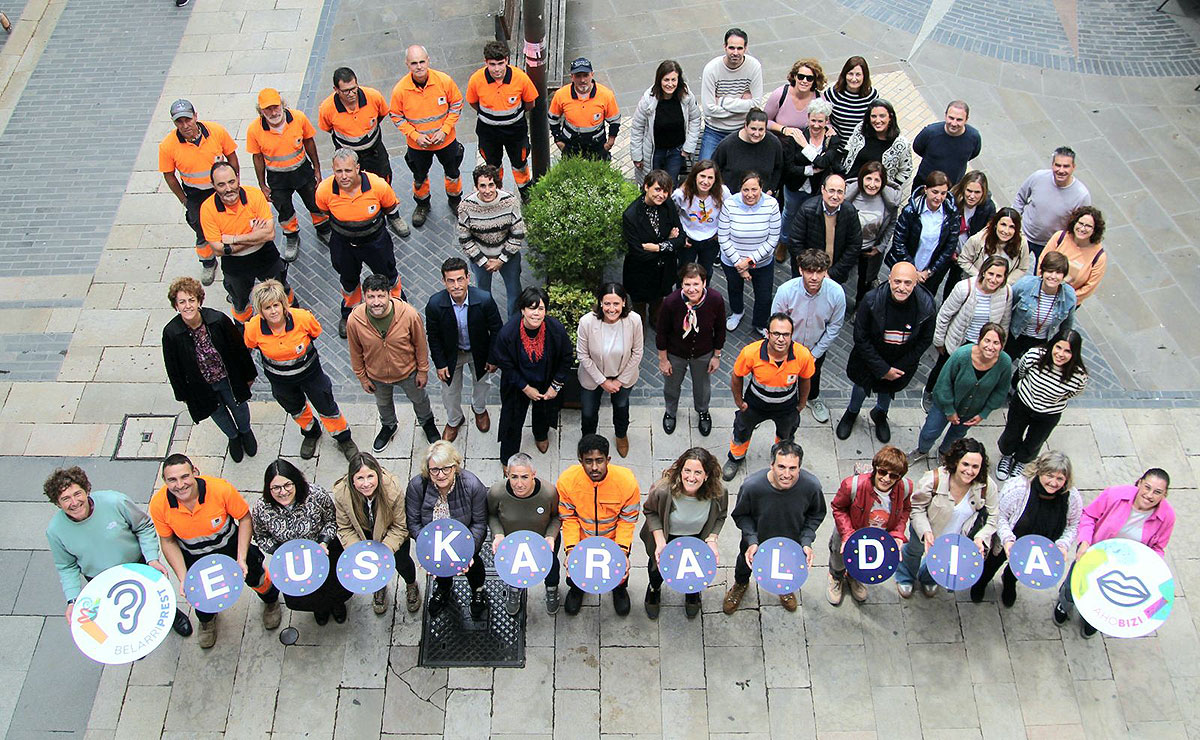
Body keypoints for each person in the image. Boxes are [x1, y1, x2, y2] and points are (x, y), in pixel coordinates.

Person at [150, 454, 281, 649]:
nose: (180, 485)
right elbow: (168, 541)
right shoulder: (159, 505)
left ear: (195, 472)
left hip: (231, 546)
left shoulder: (220, 489)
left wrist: (242, 558)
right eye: (172, 480)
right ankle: (207, 621)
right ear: (165, 481)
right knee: (199, 595)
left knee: (258, 577)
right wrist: (183, 577)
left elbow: (244, 518)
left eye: (184, 476)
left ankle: (271, 602)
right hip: (195, 556)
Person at [45, 466, 192, 637]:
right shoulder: (55, 531)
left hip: (137, 564)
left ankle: (172, 614)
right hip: (100, 579)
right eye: (65, 499)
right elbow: (66, 566)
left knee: (154, 594)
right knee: (117, 609)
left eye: (77, 494)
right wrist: (73, 599)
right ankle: (135, 633)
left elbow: (143, 526)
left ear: (86, 491)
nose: (74, 502)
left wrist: (152, 558)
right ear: (57, 503)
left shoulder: (115, 502)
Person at [243, 280, 358, 461]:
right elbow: (252, 345)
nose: (273, 311)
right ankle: (311, 432)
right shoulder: (253, 328)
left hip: (311, 376)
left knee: (327, 406)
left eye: (276, 305)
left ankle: (343, 438)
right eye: (267, 307)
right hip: (280, 382)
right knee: (296, 409)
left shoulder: (302, 318)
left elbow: (315, 332)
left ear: (283, 304)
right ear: (260, 310)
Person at [1055, 468, 1174, 637]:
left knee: (1107, 595)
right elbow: (1089, 515)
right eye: (1147, 487)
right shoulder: (1115, 494)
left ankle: (1094, 619)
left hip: (1126, 567)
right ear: (1139, 483)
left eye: (1157, 492)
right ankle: (1065, 605)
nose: (1149, 495)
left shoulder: (1167, 516)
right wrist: (1085, 541)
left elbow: (1158, 547)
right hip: (1094, 555)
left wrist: (1151, 565)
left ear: (1164, 494)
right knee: (1074, 585)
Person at [836, 262, 935, 443]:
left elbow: (924, 340)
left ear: (915, 283)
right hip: (869, 360)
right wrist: (882, 368)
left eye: (907, 283)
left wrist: (897, 368)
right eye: (897, 281)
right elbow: (861, 337)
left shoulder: (926, 306)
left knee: (887, 391)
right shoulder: (871, 300)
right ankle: (852, 412)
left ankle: (880, 413)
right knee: (860, 388)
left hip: (899, 363)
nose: (901, 287)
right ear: (889, 279)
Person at [162, 276, 258, 462]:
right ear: (176, 306)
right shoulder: (171, 333)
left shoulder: (218, 320)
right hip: (202, 386)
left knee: (239, 407)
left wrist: (248, 375)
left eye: (191, 300)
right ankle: (233, 437)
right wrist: (183, 395)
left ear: (199, 301)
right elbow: (173, 367)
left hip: (227, 379)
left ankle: (245, 432)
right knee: (217, 413)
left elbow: (239, 349)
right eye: (182, 302)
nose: (188, 306)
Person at [724, 441, 826, 613]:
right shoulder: (752, 486)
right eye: (781, 467)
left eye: (792, 468)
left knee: (787, 567)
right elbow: (741, 515)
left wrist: (806, 541)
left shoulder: (812, 486)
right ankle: (740, 584)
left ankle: (784, 587)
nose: (786, 474)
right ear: (772, 465)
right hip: (757, 540)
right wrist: (752, 539)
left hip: (792, 542)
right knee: (744, 563)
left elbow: (816, 514)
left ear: (799, 468)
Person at [314, 148, 407, 337]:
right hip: (343, 245)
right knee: (348, 281)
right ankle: (350, 312)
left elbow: (390, 206)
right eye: (339, 171)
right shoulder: (324, 190)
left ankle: (398, 308)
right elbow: (324, 211)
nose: (343, 176)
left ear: (357, 168)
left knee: (388, 276)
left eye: (348, 170)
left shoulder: (378, 186)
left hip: (376, 243)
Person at [971, 451, 1081, 607]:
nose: (1054, 483)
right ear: (1039, 471)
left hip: (1039, 546)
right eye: (1049, 476)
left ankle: (1009, 581)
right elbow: (999, 516)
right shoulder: (1018, 488)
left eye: (1060, 479)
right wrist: (1007, 540)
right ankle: (981, 582)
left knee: (1019, 569)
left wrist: (1063, 544)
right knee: (992, 564)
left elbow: (1073, 525)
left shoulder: (1072, 497)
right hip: (1009, 539)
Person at [251, 459, 352, 625]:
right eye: (276, 488)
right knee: (308, 594)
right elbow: (261, 536)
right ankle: (319, 609)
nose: (283, 492)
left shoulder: (316, 495)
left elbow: (331, 520)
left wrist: (324, 542)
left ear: (296, 482)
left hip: (324, 551)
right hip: (292, 562)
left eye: (287, 485)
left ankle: (337, 605)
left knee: (333, 585)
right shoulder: (261, 508)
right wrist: (278, 551)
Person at [346, 273, 440, 452]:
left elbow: (420, 344)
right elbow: (355, 351)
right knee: (383, 404)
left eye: (380, 296)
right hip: (376, 375)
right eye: (371, 297)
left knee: (420, 400)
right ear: (364, 296)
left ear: (389, 294)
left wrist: (422, 371)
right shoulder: (354, 320)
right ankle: (389, 426)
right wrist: (362, 378)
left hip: (408, 372)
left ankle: (427, 423)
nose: (376, 302)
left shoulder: (409, 315)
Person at [897, 438, 996, 597]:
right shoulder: (934, 479)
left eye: (975, 466)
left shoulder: (987, 486)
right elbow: (917, 508)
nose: (970, 471)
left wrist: (980, 537)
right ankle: (905, 577)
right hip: (927, 530)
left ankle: (929, 579)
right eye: (965, 464)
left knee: (942, 559)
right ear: (956, 461)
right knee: (914, 552)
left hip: (956, 537)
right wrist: (925, 532)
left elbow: (993, 517)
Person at [722, 313, 816, 481]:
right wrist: (739, 401)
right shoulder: (751, 353)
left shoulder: (802, 355)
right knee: (741, 431)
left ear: (791, 335)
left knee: (785, 436)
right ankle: (735, 458)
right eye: (776, 334)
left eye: (786, 334)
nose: (781, 339)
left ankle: (780, 461)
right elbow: (737, 375)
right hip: (755, 404)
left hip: (787, 406)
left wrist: (801, 403)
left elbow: (805, 379)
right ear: (767, 333)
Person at [557, 434, 641, 616]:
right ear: (581, 461)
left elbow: (627, 520)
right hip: (582, 540)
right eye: (588, 461)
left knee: (620, 570)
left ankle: (619, 588)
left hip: (614, 540)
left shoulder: (627, 482)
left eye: (599, 460)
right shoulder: (567, 481)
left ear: (608, 459)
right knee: (575, 570)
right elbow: (569, 518)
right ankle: (577, 588)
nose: (594, 467)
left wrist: (622, 551)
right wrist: (571, 549)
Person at [199, 161, 292, 325]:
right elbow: (218, 249)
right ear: (213, 185)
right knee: (240, 301)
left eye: (231, 181)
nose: (228, 188)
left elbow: (270, 234)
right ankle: (244, 329)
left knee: (281, 290)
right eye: (221, 184)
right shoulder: (207, 209)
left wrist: (233, 239)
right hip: (235, 265)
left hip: (265, 255)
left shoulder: (254, 195)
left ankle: (291, 316)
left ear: (238, 178)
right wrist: (255, 236)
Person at [640, 448, 728, 619]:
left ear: (707, 475)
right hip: (667, 537)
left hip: (697, 538)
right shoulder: (662, 490)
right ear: (680, 471)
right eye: (687, 470)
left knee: (694, 570)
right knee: (657, 569)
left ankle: (692, 591)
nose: (691, 477)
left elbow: (721, 516)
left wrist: (712, 539)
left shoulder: (718, 493)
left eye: (698, 472)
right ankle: (654, 588)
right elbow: (650, 511)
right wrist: (659, 541)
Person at [158, 99, 238, 286]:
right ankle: (208, 262)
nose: (185, 125)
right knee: (201, 230)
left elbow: (232, 156)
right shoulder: (168, 146)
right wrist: (184, 200)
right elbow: (169, 175)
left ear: (196, 116)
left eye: (188, 119)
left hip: (220, 189)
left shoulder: (216, 131)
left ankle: (234, 256)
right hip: (195, 194)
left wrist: (234, 183)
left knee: (231, 222)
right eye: (179, 122)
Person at [405, 441, 489, 618]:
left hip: (465, 543)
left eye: (446, 468)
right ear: (428, 469)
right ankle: (444, 589)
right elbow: (413, 522)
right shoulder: (417, 486)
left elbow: (479, 523)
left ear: (455, 466)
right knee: (441, 572)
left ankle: (478, 591)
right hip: (435, 544)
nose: (440, 474)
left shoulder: (472, 485)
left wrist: (468, 552)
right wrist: (428, 550)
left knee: (474, 568)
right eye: (435, 470)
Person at [245, 88, 331, 261]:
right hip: (277, 178)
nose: (273, 112)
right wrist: (262, 184)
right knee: (284, 209)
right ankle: (291, 236)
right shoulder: (254, 130)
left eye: (275, 107)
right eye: (268, 109)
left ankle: (323, 228)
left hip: (302, 171)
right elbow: (258, 157)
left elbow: (309, 141)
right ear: (261, 111)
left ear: (282, 105)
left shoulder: (298, 118)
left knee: (314, 201)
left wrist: (317, 168)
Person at [424, 257, 503, 442]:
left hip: (478, 352)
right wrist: (440, 363)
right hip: (452, 355)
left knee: (482, 384)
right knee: (449, 391)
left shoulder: (484, 299)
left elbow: (497, 329)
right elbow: (433, 336)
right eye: (451, 281)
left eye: (460, 279)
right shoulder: (435, 304)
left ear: (468, 278)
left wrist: (493, 357)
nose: (456, 285)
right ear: (444, 281)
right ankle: (455, 419)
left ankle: (479, 409)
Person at [333, 452, 421, 615]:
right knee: (373, 568)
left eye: (370, 476)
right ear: (352, 479)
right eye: (360, 478)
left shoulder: (392, 490)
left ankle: (411, 585)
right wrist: (357, 550)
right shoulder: (342, 494)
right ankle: (378, 586)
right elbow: (345, 527)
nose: (366, 483)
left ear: (378, 475)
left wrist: (385, 550)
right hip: (363, 537)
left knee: (403, 564)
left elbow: (400, 526)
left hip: (391, 536)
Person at [910, 323, 1012, 462]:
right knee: (930, 431)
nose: (990, 346)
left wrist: (984, 413)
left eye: (996, 343)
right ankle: (922, 450)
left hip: (971, 411)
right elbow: (944, 383)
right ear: (979, 340)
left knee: (956, 436)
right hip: (944, 405)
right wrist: (949, 410)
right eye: (987, 340)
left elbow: (1000, 391)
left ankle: (945, 453)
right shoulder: (962, 355)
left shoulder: (1004, 362)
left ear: (1002, 345)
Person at [493, 286, 572, 466]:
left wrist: (555, 386)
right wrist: (525, 388)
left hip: (546, 381)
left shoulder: (555, 329)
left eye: (541, 308)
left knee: (543, 411)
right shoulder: (508, 333)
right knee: (512, 420)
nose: (536, 313)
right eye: (531, 308)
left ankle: (541, 434)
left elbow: (566, 357)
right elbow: (505, 364)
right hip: (517, 384)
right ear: (522, 310)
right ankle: (508, 457)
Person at [996, 329, 1089, 480]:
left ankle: (1021, 460)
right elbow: (1022, 372)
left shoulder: (1078, 375)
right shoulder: (1034, 356)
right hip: (1023, 404)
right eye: (1058, 347)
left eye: (1067, 351)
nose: (1060, 354)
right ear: (1052, 345)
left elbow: (1072, 393)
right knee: (1012, 433)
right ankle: (1007, 456)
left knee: (1034, 441)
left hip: (1049, 413)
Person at [390, 45, 465, 226]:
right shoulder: (400, 90)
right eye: (414, 63)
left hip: (446, 141)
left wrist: (445, 130)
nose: (419, 66)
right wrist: (415, 136)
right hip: (418, 146)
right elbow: (396, 116)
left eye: (422, 61)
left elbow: (456, 104)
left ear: (428, 60)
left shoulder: (444, 81)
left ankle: (455, 201)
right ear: (407, 64)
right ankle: (422, 205)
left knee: (453, 173)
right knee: (419, 176)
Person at [827, 446, 912, 605]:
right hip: (849, 531)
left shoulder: (905, 488)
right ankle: (836, 577)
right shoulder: (852, 486)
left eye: (893, 475)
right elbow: (838, 508)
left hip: (876, 536)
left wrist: (897, 534)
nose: (886, 478)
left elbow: (905, 510)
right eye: (882, 472)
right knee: (839, 558)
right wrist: (847, 534)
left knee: (863, 559)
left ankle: (854, 577)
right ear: (875, 468)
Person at [924, 256, 1013, 405]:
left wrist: (999, 345)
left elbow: (1004, 321)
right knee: (943, 369)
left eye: (999, 276)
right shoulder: (964, 288)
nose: (994, 279)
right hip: (959, 340)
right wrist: (939, 341)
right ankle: (930, 392)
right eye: (991, 274)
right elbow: (944, 315)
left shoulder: (1007, 292)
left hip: (983, 344)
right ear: (983, 272)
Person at [771, 249, 846, 423]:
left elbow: (834, 326)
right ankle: (774, 404)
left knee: (813, 374)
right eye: (809, 271)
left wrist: (815, 353)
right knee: (780, 376)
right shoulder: (786, 291)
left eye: (819, 272)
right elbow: (775, 323)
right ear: (800, 270)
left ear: (825, 271)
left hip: (815, 347)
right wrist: (784, 348)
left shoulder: (836, 293)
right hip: (786, 347)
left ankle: (812, 398)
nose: (814, 277)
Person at [657, 263, 726, 437]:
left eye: (696, 284)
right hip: (676, 353)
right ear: (681, 283)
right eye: (687, 284)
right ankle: (670, 411)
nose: (692, 289)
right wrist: (663, 360)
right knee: (671, 386)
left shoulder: (715, 300)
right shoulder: (671, 302)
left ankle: (703, 411)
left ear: (704, 283)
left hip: (703, 352)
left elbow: (720, 330)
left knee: (702, 387)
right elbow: (662, 332)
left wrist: (716, 356)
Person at [487, 452, 561, 615]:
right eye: (514, 477)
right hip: (512, 543)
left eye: (524, 477)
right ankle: (515, 590)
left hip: (544, 541)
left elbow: (557, 517)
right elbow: (491, 515)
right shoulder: (496, 492)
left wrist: (551, 536)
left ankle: (552, 589)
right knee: (513, 569)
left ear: (533, 474)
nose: (519, 484)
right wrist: (498, 534)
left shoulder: (549, 493)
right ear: (507, 474)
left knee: (551, 567)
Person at [465, 40, 538, 201]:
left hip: (515, 130)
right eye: (492, 64)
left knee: (520, 163)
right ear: (486, 62)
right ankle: (496, 193)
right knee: (493, 165)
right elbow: (473, 102)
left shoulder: (520, 78)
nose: (497, 69)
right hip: (488, 131)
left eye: (500, 63)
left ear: (507, 60)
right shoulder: (476, 80)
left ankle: (525, 192)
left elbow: (530, 102)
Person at [577, 282, 644, 457]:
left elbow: (637, 352)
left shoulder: (634, 320)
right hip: (593, 377)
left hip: (623, 376)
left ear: (624, 302)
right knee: (588, 412)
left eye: (616, 303)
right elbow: (582, 355)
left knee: (621, 406)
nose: (611, 309)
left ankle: (621, 435)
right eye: (607, 303)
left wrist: (619, 381)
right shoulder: (587, 322)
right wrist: (603, 382)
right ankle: (588, 442)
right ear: (600, 302)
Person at [318, 67, 402, 200]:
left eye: (354, 88)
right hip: (348, 156)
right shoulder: (327, 108)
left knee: (383, 181)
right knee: (351, 185)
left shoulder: (373, 97)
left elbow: (381, 114)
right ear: (336, 90)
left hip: (375, 152)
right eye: (346, 91)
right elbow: (328, 128)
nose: (351, 94)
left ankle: (386, 205)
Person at [456, 164, 526, 316]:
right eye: (482, 186)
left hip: (508, 256)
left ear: (497, 185)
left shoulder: (510, 202)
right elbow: (465, 239)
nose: (487, 190)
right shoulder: (466, 206)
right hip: (480, 258)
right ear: (476, 187)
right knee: (483, 294)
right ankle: (487, 322)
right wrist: (483, 261)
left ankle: (513, 324)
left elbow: (518, 234)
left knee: (515, 292)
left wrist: (501, 260)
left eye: (491, 185)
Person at [718, 171, 781, 335]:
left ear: (761, 188)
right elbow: (723, 237)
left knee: (764, 296)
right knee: (734, 289)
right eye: (745, 190)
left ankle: (760, 323)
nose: (750, 194)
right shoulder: (729, 204)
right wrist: (739, 264)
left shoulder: (772, 205)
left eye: (754, 189)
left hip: (762, 263)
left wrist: (749, 262)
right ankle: (737, 312)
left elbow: (773, 239)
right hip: (733, 261)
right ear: (740, 189)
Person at [777, 98, 843, 250]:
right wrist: (810, 170)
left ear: (827, 121)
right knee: (789, 214)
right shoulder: (796, 136)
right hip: (795, 186)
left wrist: (805, 146)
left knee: (812, 216)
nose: (816, 125)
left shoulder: (832, 140)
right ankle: (784, 242)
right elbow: (789, 167)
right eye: (813, 120)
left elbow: (824, 163)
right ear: (808, 118)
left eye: (820, 121)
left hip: (816, 188)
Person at [623, 169, 685, 321]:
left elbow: (681, 238)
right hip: (641, 274)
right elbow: (639, 253)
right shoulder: (631, 215)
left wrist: (657, 247)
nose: (661, 195)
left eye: (665, 191)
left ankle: (656, 322)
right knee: (639, 312)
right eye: (657, 189)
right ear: (646, 187)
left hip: (663, 272)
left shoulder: (667, 204)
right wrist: (669, 242)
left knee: (658, 306)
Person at [1013, 146, 1091, 261]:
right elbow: (1020, 198)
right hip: (1023, 236)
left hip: (1050, 245)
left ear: (1073, 167)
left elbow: (1080, 225)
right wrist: (1014, 224)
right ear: (1052, 165)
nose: (1061, 170)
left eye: (1066, 166)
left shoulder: (1081, 195)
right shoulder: (1038, 177)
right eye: (1058, 165)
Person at [630, 59, 702, 182]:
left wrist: (688, 147)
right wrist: (637, 156)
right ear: (659, 80)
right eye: (666, 80)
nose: (670, 84)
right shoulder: (648, 100)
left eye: (673, 80)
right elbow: (637, 128)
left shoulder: (686, 96)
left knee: (671, 183)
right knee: (652, 183)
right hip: (655, 152)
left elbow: (695, 119)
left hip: (676, 151)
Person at [887, 170, 957, 295]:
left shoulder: (951, 214)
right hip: (906, 268)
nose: (939, 197)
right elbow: (899, 242)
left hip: (929, 275)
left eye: (943, 193)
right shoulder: (911, 211)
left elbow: (949, 246)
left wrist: (929, 271)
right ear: (926, 189)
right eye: (935, 192)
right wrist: (912, 270)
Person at [699, 28, 763, 161]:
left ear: (746, 48)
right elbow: (708, 109)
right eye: (731, 48)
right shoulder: (711, 69)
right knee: (703, 168)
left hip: (741, 129)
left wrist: (722, 101)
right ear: (725, 47)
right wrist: (742, 107)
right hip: (714, 131)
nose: (735, 52)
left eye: (739, 48)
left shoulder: (754, 66)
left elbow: (756, 104)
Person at [845, 161, 902, 306]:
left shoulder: (889, 201)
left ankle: (859, 307)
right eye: (868, 178)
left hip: (868, 249)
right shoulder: (849, 193)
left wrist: (881, 247)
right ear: (861, 178)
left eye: (877, 180)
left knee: (865, 281)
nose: (872, 184)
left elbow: (892, 224)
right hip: (846, 246)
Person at [786, 173, 861, 281]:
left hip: (834, 273)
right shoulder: (807, 210)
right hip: (808, 272)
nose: (835, 196)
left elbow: (854, 245)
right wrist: (813, 271)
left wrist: (833, 272)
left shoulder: (850, 212)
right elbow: (795, 243)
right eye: (831, 191)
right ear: (823, 190)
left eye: (840, 192)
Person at [1007, 251, 1076, 361]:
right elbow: (1008, 304)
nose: (1053, 276)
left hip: (1042, 342)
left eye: (1058, 273)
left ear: (1063, 276)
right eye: (1049, 271)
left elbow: (1067, 326)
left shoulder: (1069, 296)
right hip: (1016, 335)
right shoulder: (1025, 284)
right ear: (1042, 271)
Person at [549, 57, 620, 160]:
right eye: (578, 76)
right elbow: (553, 118)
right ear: (572, 77)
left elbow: (615, 120)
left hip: (597, 146)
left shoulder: (606, 95)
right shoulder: (561, 95)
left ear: (592, 74)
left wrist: (610, 143)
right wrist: (558, 140)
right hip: (571, 145)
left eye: (586, 75)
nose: (582, 80)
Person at [942, 170, 997, 299]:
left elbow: (987, 235)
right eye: (969, 191)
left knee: (954, 289)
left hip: (967, 256)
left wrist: (967, 256)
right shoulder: (952, 199)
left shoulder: (988, 208)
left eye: (977, 192)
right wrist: (950, 250)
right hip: (946, 250)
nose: (972, 196)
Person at [671, 160, 729, 281]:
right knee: (684, 271)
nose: (705, 181)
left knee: (706, 272)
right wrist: (680, 236)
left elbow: (729, 213)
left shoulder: (723, 193)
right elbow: (672, 215)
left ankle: (704, 292)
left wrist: (722, 232)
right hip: (688, 239)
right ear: (695, 176)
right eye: (702, 176)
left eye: (710, 177)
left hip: (711, 239)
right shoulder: (680, 194)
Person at [1038, 205, 1107, 305]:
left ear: (1095, 230)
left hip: (1066, 303)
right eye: (1080, 223)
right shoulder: (1059, 237)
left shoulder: (1099, 257)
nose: (1082, 228)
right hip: (1042, 291)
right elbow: (1042, 261)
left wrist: (1065, 299)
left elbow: (1089, 287)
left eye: (1088, 226)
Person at [840, 99, 912, 189]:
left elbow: (906, 170)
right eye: (873, 116)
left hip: (876, 191)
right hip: (850, 185)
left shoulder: (901, 144)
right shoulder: (860, 129)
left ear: (890, 117)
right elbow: (850, 145)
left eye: (882, 116)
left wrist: (890, 188)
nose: (877, 120)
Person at [713, 109, 782, 198]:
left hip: (762, 198)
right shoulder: (728, 144)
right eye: (753, 129)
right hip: (732, 198)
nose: (756, 134)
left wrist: (772, 189)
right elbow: (714, 168)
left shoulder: (774, 143)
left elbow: (778, 168)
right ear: (745, 126)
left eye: (761, 129)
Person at [912, 101, 981, 185]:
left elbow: (974, 153)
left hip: (953, 185)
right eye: (951, 118)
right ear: (945, 116)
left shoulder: (974, 137)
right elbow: (917, 148)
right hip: (925, 182)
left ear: (966, 120)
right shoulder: (930, 132)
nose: (954, 123)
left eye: (959, 120)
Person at [957, 206, 1029, 285]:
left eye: (1012, 227)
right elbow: (963, 260)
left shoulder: (1021, 244)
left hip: (1001, 288)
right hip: (976, 284)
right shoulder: (978, 240)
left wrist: (1004, 282)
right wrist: (981, 278)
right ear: (996, 224)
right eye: (1003, 224)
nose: (1006, 231)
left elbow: (1022, 268)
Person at [823, 56, 879, 139]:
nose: (854, 79)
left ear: (864, 76)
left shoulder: (872, 96)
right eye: (850, 74)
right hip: (838, 144)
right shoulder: (832, 94)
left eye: (858, 75)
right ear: (844, 74)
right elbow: (822, 117)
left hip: (862, 145)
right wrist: (829, 128)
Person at [765, 58, 825, 137]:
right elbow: (764, 120)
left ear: (814, 80)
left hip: (806, 140)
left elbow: (826, 123)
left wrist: (829, 129)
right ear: (795, 76)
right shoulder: (780, 94)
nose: (804, 81)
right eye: (801, 76)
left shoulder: (820, 99)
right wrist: (783, 129)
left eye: (809, 78)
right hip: (780, 138)